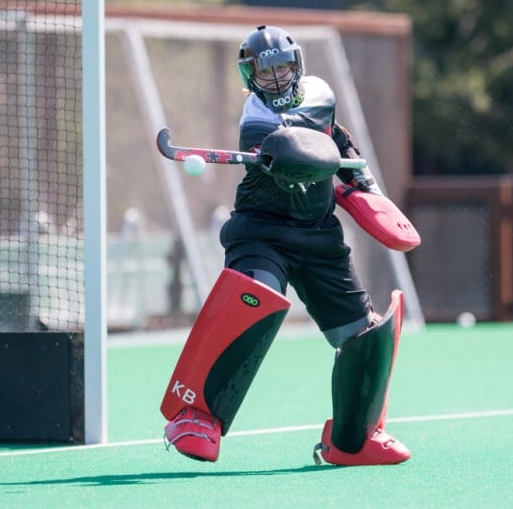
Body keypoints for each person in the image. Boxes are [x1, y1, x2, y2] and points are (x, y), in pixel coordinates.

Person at [161, 24, 411, 466]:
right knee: (253, 297)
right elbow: (284, 152)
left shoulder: (320, 95)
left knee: (365, 335)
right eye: (265, 71)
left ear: (296, 66)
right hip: (263, 231)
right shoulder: (254, 116)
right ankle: (197, 415)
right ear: (249, 76)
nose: (275, 78)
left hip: (319, 238)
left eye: (282, 68)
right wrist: (289, 155)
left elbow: (336, 138)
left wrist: (362, 183)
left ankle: (355, 439)